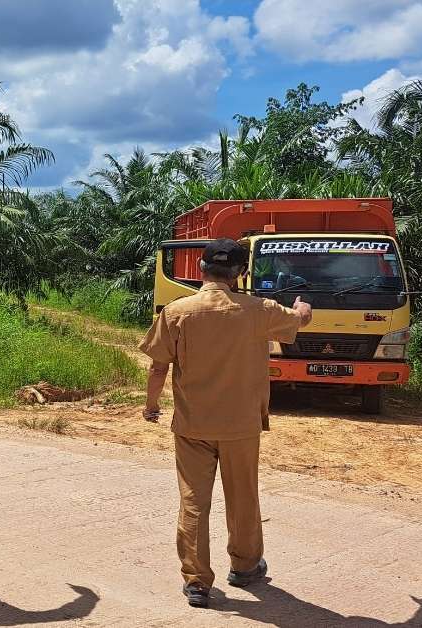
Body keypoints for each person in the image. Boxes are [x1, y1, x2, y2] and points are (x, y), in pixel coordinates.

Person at [139, 238, 312, 609]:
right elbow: (298, 320)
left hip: (192, 425)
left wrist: (151, 406)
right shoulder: (259, 310)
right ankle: (246, 567)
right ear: (242, 273)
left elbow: (158, 366)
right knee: (243, 497)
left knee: (193, 502)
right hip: (241, 425)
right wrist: (301, 308)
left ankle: (197, 582)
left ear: (200, 269)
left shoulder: (176, 312)